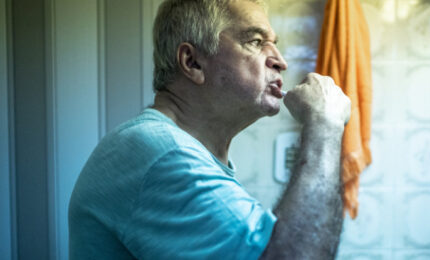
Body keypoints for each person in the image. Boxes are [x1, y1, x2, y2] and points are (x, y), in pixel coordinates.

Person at [68, 0, 351, 259]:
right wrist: (325, 124)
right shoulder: (163, 153)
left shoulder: (173, 149)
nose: (280, 60)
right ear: (193, 62)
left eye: (274, 43)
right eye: (255, 41)